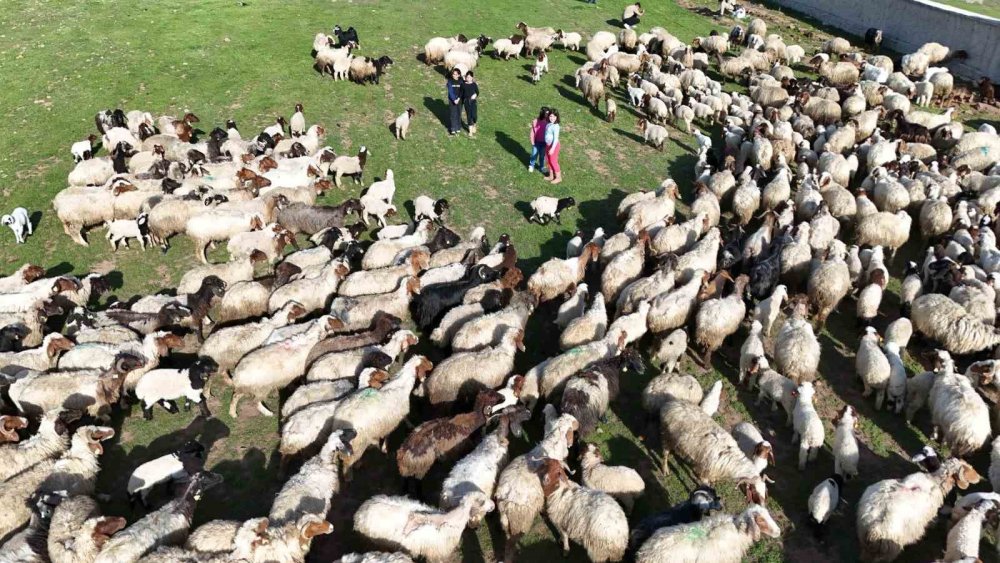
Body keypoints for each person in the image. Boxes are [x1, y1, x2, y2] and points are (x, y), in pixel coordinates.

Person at [528, 107, 550, 173]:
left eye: (548, 114)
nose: (547, 115)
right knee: (534, 154)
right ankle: (531, 165)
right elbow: (532, 132)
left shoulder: (548, 122)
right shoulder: (536, 121)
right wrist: (532, 141)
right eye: (546, 114)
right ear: (542, 113)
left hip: (544, 143)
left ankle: (542, 167)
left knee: (542, 156)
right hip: (536, 142)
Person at [544, 109, 562, 184]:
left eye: (554, 117)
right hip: (548, 145)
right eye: (551, 116)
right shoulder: (548, 124)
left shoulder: (556, 126)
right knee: (548, 160)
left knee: (553, 161)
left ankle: (558, 177)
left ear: (557, 117)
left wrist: (552, 149)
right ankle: (551, 176)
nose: (552, 118)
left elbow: (555, 139)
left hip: (553, 146)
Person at [446, 68, 463, 135]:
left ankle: (458, 127)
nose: (454, 75)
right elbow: (450, 91)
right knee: (453, 114)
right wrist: (454, 99)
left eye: (456, 74)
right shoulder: (450, 81)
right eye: (453, 74)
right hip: (452, 100)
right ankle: (453, 128)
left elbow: (462, 91)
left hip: (460, 100)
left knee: (459, 113)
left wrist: (458, 98)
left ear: (459, 75)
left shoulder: (461, 81)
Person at [461, 71, 479, 136]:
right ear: (465, 78)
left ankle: (474, 124)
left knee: (474, 115)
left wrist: (475, 95)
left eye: (469, 77)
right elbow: (461, 94)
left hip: (473, 102)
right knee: (469, 116)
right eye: (467, 77)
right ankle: (470, 132)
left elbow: (477, 92)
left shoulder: (474, 84)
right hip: (466, 102)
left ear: (472, 77)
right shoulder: (463, 85)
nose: (468, 78)